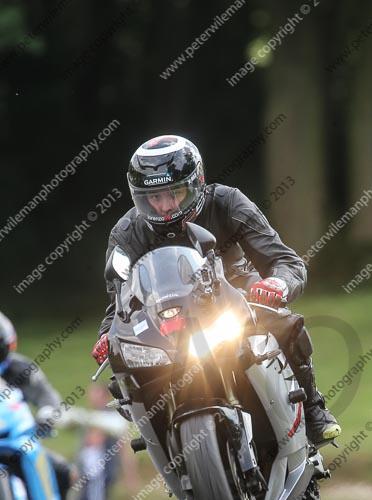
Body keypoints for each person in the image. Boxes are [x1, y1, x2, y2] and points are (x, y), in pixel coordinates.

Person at [92, 134, 341, 445]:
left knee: (285, 323)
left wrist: (277, 283)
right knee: (124, 361)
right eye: (153, 198)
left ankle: (314, 408)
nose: (165, 206)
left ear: (196, 183)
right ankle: (161, 441)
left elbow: (284, 260)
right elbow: (118, 302)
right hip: (166, 316)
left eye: (175, 194)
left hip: (234, 293)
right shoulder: (127, 232)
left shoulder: (227, 202)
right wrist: (107, 336)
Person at [0, 312, 72, 500]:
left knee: (62, 470)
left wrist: (48, 412)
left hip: (17, 439)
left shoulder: (20, 369)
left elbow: (45, 394)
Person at [74, 383, 139, 500]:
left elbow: (124, 448)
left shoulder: (113, 420)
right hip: (87, 473)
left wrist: (130, 476)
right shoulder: (91, 417)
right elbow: (84, 448)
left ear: (104, 396)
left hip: (100, 474)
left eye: (95, 393)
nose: (91, 397)